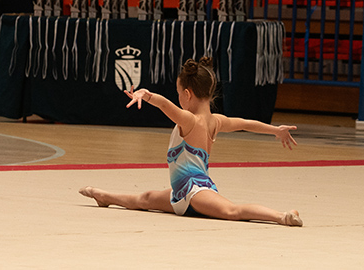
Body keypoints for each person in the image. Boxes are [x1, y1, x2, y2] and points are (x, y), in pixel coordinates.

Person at [79, 57, 303, 227]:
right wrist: (275, 130)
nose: (178, 97)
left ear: (187, 94)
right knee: (145, 198)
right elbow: (245, 123)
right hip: (182, 192)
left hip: (196, 191)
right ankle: (104, 196)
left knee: (232, 212)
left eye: (178, 93)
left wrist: (146, 94)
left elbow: (165, 105)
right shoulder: (216, 121)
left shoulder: (189, 120)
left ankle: (282, 216)